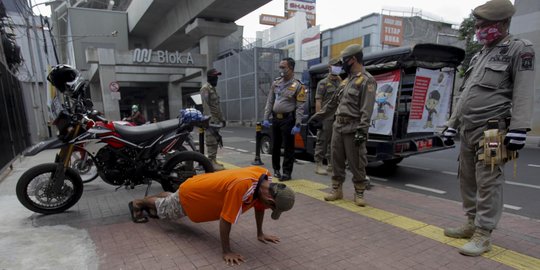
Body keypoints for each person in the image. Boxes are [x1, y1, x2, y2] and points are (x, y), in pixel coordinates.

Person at [442, 0, 535, 257]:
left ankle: (483, 234)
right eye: (477, 25)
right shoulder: (481, 53)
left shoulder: (519, 49)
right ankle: (471, 223)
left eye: (483, 25)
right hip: (469, 129)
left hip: (495, 129)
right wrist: (452, 124)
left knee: (488, 182)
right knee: (467, 179)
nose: (478, 30)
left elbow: (524, 89)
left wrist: (519, 127)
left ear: (503, 23)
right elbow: (466, 93)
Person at [128, 166, 295, 265]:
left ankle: (168, 197)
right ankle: (138, 203)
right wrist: (226, 251)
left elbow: (259, 206)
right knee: (165, 210)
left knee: (172, 200)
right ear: (270, 199)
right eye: (272, 208)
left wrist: (260, 233)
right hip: (192, 195)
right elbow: (226, 219)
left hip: (200, 186)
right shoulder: (242, 187)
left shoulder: (265, 178)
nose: (268, 209)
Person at [308, 44, 377, 207]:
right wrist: (317, 117)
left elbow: (366, 109)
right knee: (336, 160)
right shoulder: (345, 81)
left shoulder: (367, 80)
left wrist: (362, 130)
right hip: (338, 126)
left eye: (344, 60)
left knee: (357, 162)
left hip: (353, 128)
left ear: (353, 59)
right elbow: (332, 104)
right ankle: (336, 190)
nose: (342, 64)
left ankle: (359, 192)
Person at [262, 58, 306, 181]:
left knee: (288, 147)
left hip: (288, 120)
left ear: (291, 68)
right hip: (275, 119)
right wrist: (266, 117)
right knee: (275, 146)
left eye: (283, 67)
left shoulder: (298, 85)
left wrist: (298, 123)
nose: (280, 69)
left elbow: (300, 106)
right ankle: (276, 169)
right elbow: (270, 101)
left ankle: (287, 172)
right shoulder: (276, 83)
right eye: (280, 67)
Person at [314, 58, 342, 175]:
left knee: (334, 142)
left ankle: (331, 164)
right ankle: (319, 164)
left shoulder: (340, 82)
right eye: (335, 66)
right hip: (326, 117)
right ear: (329, 67)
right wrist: (318, 117)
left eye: (339, 66)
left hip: (337, 116)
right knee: (322, 140)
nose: (338, 68)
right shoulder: (323, 83)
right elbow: (318, 101)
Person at [201, 68, 226, 170]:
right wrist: (209, 121)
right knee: (211, 141)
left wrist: (222, 119)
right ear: (210, 77)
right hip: (210, 121)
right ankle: (210, 162)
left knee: (215, 140)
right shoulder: (205, 88)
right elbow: (205, 105)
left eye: (217, 77)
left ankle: (214, 160)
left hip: (216, 120)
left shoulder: (213, 89)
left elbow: (217, 106)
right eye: (215, 77)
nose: (217, 79)